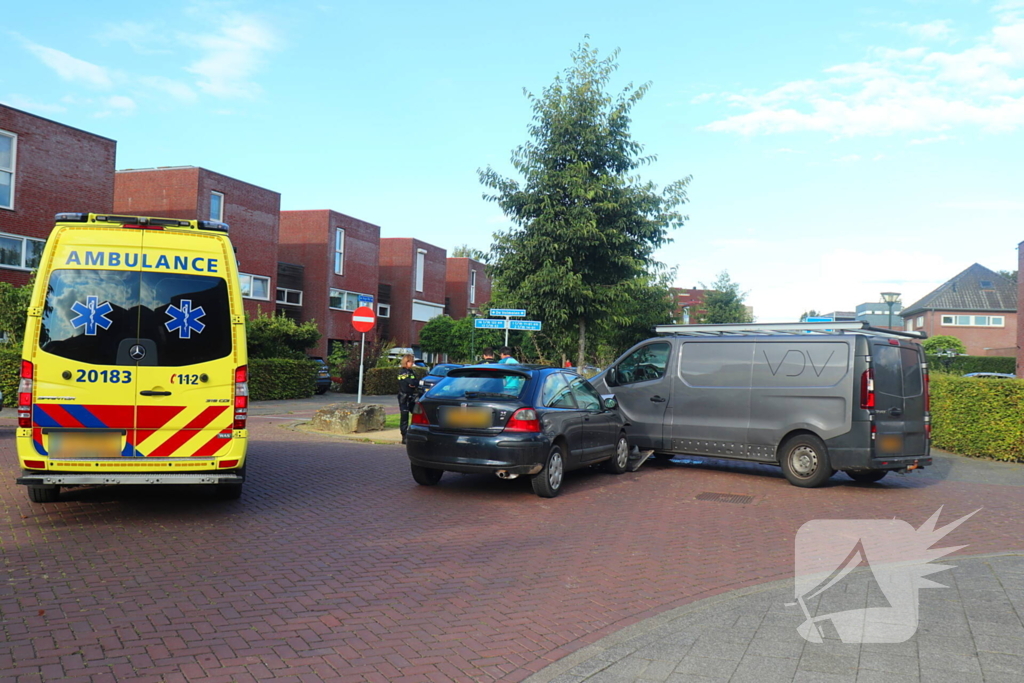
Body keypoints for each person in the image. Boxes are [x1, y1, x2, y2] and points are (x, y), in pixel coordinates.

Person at [397, 354, 420, 444]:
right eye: (410, 361)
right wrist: (412, 383)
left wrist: (413, 384)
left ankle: (413, 433)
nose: (412, 363)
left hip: (411, 397)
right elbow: (409, 382)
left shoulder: (411, 372)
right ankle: (404, 436)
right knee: (404, 416)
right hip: (404, 397)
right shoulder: (402, 372)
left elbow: (416, 382)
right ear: (406, 362)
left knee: (417, 414)